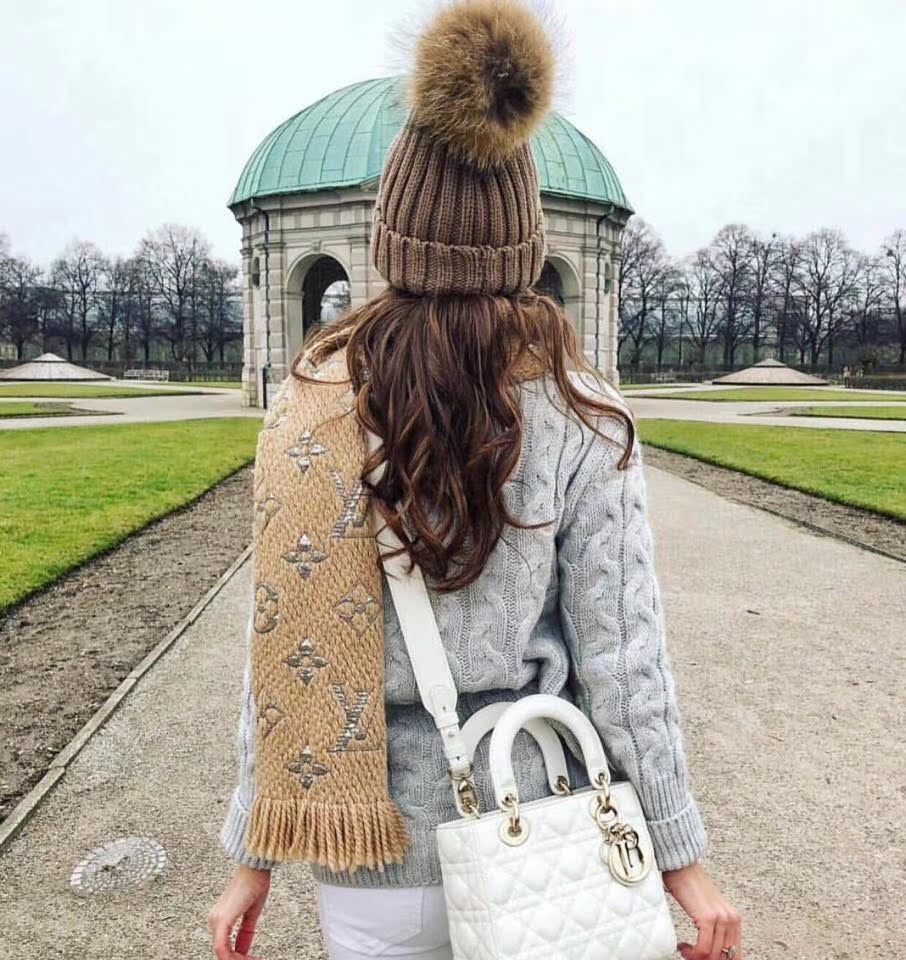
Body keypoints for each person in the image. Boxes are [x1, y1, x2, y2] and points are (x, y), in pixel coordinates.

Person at [209, 2, 743, 959]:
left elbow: (279, 649)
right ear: (524, 242)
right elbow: (625, 660)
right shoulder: (583, 411)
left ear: (392, 237)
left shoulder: (311, 403)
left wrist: (253, 850)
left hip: (369, 849)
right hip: (535, 826)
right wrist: (679, 857)